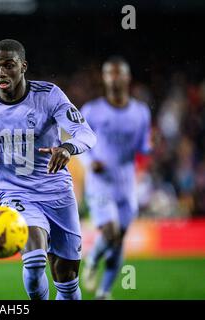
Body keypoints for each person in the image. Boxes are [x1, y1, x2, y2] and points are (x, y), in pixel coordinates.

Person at [0, 39, 96, 300]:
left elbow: (86, 134)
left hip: (58, 193)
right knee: (34, 261)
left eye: (9, 65)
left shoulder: (49, 96)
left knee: (66, 280)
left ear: (23, 66)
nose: (1, 72)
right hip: (16, 195)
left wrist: (67, 148)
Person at [80, 56, 152, 299]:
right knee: (110, 232)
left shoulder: (141, 112)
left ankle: (104, 292)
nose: (114, 78)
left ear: (127, 78)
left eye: (118, 73)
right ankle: (91, 260)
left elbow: (143, 149)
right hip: (100, 183)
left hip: (126, 182)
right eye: (109, 73)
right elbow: (77, 144)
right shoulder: (91, 110)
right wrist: (91, 163)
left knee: (118, 241)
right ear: (104, 78)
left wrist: (153, 146)